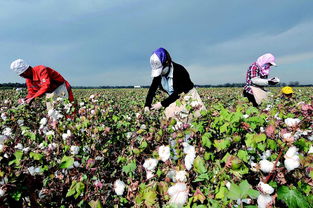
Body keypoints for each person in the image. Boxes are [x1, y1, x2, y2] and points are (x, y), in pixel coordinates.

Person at [144, 48, 206, 122]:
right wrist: (147, 105)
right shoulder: (159, 75)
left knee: (195, 118)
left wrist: (161, 104)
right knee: (170, 118)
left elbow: (178, 93)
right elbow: (152, 89)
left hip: (188, 96)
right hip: (175, 98)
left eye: (161, 70)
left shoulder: (179, 70)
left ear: (167, 62)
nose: (160, 74)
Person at [10, 59, 74, 109]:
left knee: (65, 108)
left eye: (23, 74)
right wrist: (25, 99)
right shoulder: (28, 79)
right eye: (21, 75)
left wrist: (32, 98)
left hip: (60, 87)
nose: (23, 76)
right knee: (51, 112)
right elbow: (31, 92)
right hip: (50, 92)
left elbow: (46, 86)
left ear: (28, 69)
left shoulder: (41, 70)